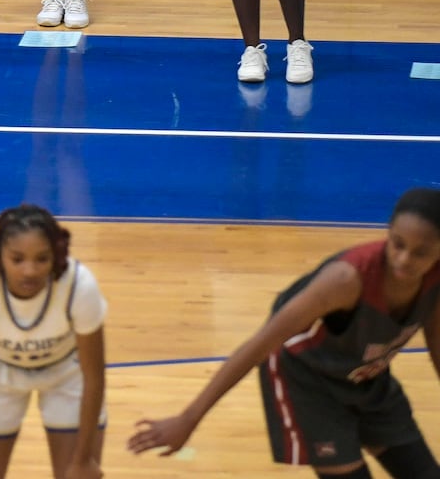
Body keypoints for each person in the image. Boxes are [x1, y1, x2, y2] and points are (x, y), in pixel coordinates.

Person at [130, 186, 440, 478]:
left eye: (420, 252)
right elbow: (259, 346)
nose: (403, 259)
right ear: (387, 232)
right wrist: (189, 418)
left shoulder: (435, 281)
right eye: (397, 244)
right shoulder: (346, 280)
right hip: (306, 379)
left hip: (363, 376)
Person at [0, 204, 107, 479]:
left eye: (42, 259)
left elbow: (94, 376)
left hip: (66, 372)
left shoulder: (79, 285)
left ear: (55, 256)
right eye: (17, 259)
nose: (29, 271)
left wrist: (83, 460)